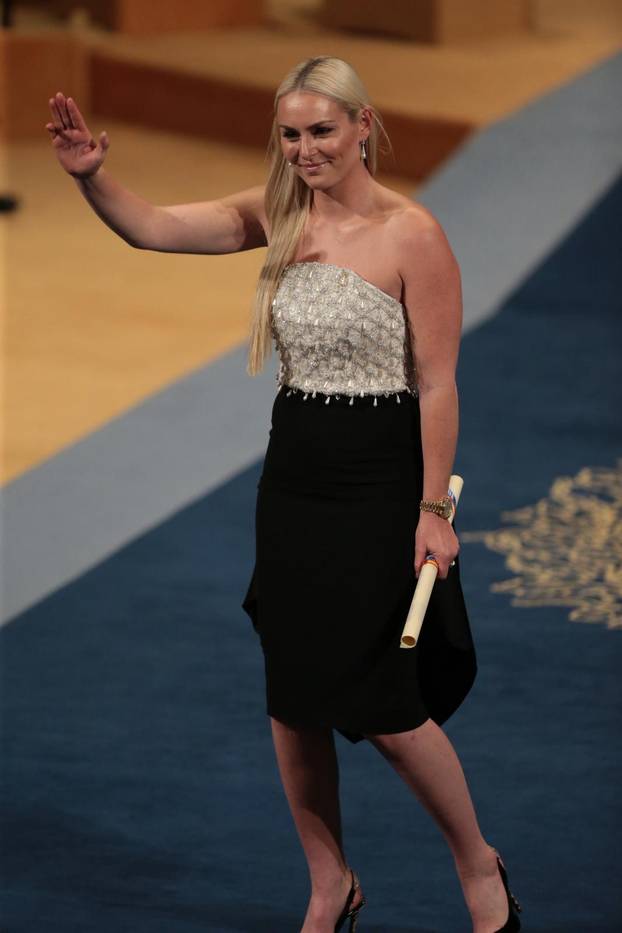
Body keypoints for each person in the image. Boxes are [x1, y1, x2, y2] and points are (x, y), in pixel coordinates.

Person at [46, 55, 522, 933]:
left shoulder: (415, 233)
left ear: (364, 125)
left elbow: (440, 384)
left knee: (385, 700)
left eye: (322, 131)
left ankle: (475, 860)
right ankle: (328, 880)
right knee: (293, 688)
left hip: (381, 475)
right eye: (292, 134)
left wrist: (433, 512)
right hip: (296, 469)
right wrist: (93, 179)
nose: (304, 150)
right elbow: (150, 228)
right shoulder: (277, 212)